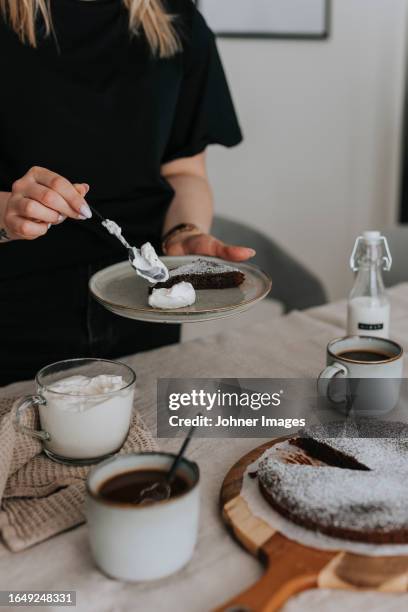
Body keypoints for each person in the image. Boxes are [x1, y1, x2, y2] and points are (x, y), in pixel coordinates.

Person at [0, 0, 254, 386]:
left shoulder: (177, 22)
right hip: (14, 315)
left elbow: (184, 171)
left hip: (144, 308)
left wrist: (183, 232)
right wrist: (4, 214)